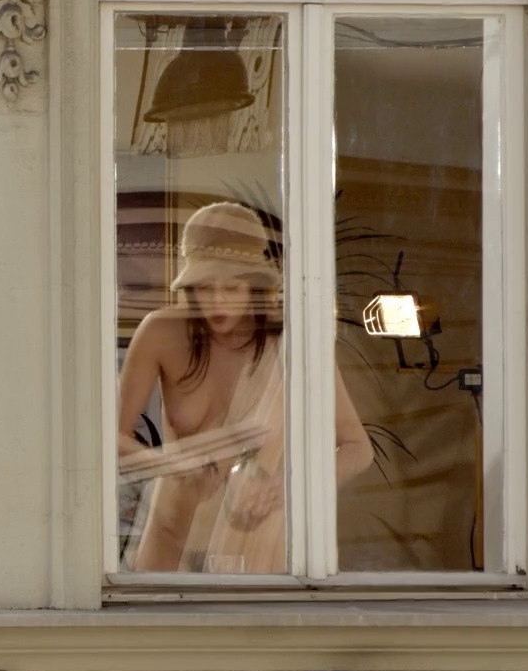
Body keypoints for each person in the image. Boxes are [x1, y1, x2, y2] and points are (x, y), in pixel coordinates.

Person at [117, 202, 374, 573]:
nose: (217, 301)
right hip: (171, 535)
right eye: (205, 287)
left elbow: (357, 448)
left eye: (232, 287)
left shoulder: (291, 344)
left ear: (255, 284)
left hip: (258, 540)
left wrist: (288, 487)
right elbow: (112, 439)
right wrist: (169, 463)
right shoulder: (161, 332)